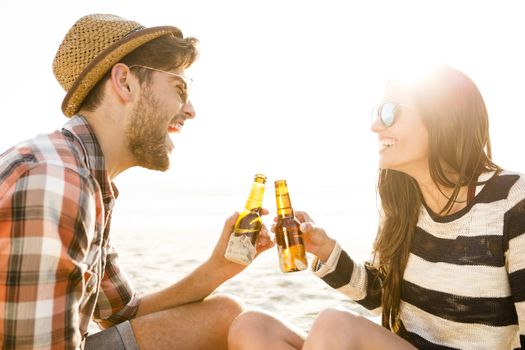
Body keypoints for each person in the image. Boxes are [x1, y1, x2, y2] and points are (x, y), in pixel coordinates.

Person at [0, 13, 274, 349]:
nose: (190, 110)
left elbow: (120, 311)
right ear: (125, 82)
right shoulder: (56, 181)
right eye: (179, 88)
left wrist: (220, 267)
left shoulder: (87, 180)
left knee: (226, 316)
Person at [228, 65, 525, 349]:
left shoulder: (512, 198)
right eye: (377, 113)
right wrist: (325, 251)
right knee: (253, 328)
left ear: (442, 117)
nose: (374, 126)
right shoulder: (405, 201)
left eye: (389, 112)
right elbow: (387, 300)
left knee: (334, 325)